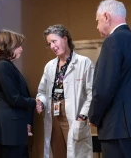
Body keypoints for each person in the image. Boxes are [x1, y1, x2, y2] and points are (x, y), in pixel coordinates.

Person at [88, 0, 131, 158]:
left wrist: (94, 116)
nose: (97, 26)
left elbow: (103, 87)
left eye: (97, 21)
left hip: (117, 127)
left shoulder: (113, 40)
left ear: (106, 17)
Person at [36, 24, 94, 158]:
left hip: (73, 114)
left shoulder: (84, 63)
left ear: (65, 38)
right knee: (58, 153)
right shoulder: (50, 66)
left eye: (54, 41)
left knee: (75, 152)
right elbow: (42, 92)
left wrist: (83, 115)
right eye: (49, 43)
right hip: (54, 114)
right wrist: (41, 102)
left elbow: (92, 93)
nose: (52, 46)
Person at [0, 29, 39, 158]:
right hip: (9, 128)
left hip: (12, 127)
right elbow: (14, 98)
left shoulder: (4, 65)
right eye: (18, 46)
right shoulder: (3, 66)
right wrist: (35, 102)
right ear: (8, 46)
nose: (21, 49)